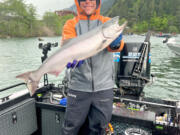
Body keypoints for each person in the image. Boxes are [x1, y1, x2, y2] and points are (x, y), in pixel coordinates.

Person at [61, 0, 125, 134]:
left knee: (99, 129)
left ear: (98, 2)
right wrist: (69, 58)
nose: (88, 2)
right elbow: (66, 47)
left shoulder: (106, 21)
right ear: (78, 2)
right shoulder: (71, 24)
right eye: (84, 0)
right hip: (78, 87)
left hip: (104, 87)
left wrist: (115, 43)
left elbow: (116, 47)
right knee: (70, 129)